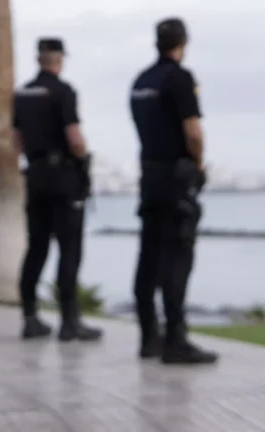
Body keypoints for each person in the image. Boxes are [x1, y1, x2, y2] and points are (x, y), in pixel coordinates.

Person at [129, 18, 217, 364]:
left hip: (149, 176)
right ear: (183, 42)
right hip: (175, 177)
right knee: (177, 256)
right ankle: (175, 339)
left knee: (148, 256)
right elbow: (192, 131)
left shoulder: (141, 81)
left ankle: (149, 336)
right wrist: (198, 164)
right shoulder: (179, 78)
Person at [14, 38, 102, 342]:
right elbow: (74, 137)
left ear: (39, 59)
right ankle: (69, 321)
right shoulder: (63, 92)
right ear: (59, 59)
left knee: (36, 248)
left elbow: (17, 141)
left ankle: (29, 317)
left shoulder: (21, 94)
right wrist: (83, 161)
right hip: (63, 178)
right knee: (69, 249)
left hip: (35, 176)